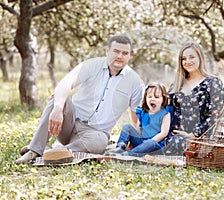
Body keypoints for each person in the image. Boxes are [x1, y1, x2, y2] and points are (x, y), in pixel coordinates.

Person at [16, 35, 144, 164]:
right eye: (116, 51)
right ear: (107, 51)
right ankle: (34, 150)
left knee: (99, 143)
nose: (120, 56)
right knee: (59, 98)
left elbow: (137, 118)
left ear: (129, 55)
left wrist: (137, 141)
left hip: (94, 134)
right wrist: (58, 108)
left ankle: (52, 152)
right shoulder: (91, 65)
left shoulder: (135, 82)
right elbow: (65, 83)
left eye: (125, 53)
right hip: (69, 124)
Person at [164, 42, 224, 156]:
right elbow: (165, 109)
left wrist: (195, 134)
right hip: (173, 135)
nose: (187, 61)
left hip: (198, 138)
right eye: (184, 59)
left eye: (192, 57)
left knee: (178, 144)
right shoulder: (177, 84)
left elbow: (215, 115)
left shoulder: (213, 83)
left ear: (200, 58)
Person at [110, 82, 171, 156]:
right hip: (141, 143)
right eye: (150, 97)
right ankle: (120, 148)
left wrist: (148, 142)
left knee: (150, 143)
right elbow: (138, 130)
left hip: (155, 145)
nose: (153, 99)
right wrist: (133, 141)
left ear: (163, 99)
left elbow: (163, 133)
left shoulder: (165, 114)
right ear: (145, 98)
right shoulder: (142, 112)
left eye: (156, 97)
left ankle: (128, 154)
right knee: (127, 127)